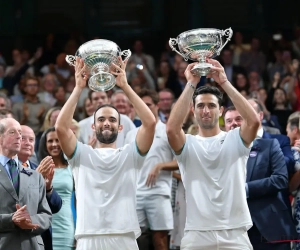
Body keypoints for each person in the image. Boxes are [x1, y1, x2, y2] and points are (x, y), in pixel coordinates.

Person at [55, 57, 156, 249]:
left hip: (124, 236)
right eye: (101, 119)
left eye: (111, 119)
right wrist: (78, 88)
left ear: (120, 127)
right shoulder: (81, 154)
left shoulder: (130, 154)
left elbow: (150, 123)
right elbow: (60, 127)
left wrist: (125, 86)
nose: (106, 123)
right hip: (89, 237)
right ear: (93, 126)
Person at [166, 58, 260, 250]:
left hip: (235, 232)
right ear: (192, 110)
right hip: (196, 233)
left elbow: (253, 123)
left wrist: (224, 82)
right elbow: (172, 130)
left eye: (211, 105)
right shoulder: (187, 143)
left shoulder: (236, 138)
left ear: (220, 110)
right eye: (200, 106)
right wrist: (191, 83)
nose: (206, 110)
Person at [224, 106, 297, 249]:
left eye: (238, 119)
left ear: (247, 121)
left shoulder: (269, 145)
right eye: (229, 121)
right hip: (233, 229)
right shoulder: (219, 152)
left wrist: (246, 189)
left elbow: (281, 179)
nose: (233, 123)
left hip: (268, 227)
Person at [125, 89, 176, 250]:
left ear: (158, 105)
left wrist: (160, 165)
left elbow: (181, 161)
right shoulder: (130, 134)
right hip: (135, 193)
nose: (145, 108)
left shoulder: (168, 131)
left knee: (160, 240)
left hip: (159, 192)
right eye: (141, 105)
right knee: (134, 240)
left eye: (148, 105)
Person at [0, 118, 52, 250]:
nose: (19, 136)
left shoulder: (35, 175)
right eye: (12, 132)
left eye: (20, 133)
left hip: (32, 245)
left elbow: (46, 215)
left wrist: (31, 221)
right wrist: (11, 220)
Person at [18, 125, 62, 250]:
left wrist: (48, 188)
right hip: (16, 240)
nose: (28, 143)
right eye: (23, 139)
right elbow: (17, 204)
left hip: (41, 240)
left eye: (31, 140)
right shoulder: (6, 169)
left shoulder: (38, 167)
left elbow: (56, 206)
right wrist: (35, 179)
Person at [38, 127, 75, 250]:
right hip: (44, 226)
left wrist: (79, 228)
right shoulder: (39, 168)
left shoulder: (72, 168)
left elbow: (79, 201)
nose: (54, 144)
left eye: (58, 140)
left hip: (66, 225)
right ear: (44, 144)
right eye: (50, 141)